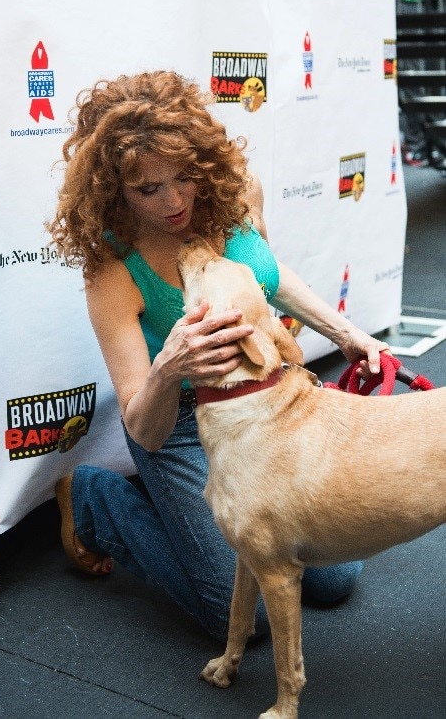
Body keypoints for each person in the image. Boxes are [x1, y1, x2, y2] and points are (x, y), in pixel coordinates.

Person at [47, 70, 390, 642]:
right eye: (147, 190)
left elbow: (265, 278)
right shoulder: (112, 269)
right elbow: (144, 428)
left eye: (184, 177)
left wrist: (347, 334)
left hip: (261, 401)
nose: (175, 200)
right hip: (176, 421)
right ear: (113, 188)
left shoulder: (234, 191)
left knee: (335, 577)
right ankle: (95, 498)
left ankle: (190, 520)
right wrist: (171, 365)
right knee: (242, 617)